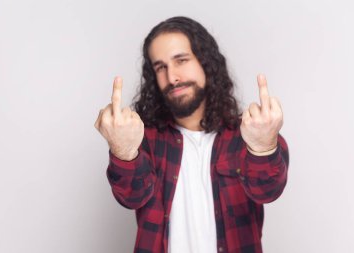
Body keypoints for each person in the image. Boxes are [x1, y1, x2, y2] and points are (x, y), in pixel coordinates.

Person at [94, 16, 289, 253]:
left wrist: (262, 146)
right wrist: (123, 151)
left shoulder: (249, 134)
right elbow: (131, 197)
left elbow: (267, 191)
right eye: (160, 67)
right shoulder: (143, 139)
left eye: (181, 60)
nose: (172, 77)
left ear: (205, 63)